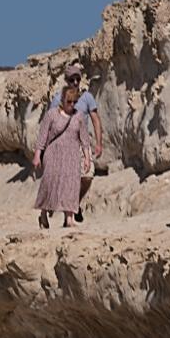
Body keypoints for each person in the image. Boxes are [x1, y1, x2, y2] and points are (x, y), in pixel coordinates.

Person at [47, 64, 104, 223]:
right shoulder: (58, 99)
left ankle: (74, 203)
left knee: (87, 177)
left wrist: (99, 143)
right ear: (66, 81)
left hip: (82, 144)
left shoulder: (87, 98)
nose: (75, 82)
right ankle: (69, 218)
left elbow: (96, 120)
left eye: (78, 79)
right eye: (72, 79)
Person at [34, 85, 90, 228]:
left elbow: (84, 139)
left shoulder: (79, 117)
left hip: (72, 156)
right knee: (50, 183)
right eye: (69, 101)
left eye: (74, 102)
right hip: (53, 154)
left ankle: (69, 219)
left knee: (71, 184)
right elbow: (42, 136)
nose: (71, 105)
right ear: (62, 100)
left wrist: (87, 158)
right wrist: (37, 155)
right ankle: (43, 214)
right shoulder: (52, 114)